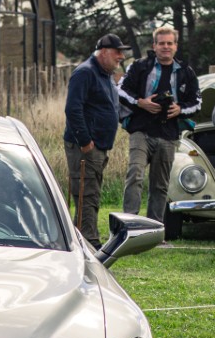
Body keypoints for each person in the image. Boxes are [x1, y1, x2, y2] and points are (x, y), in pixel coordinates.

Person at [118, 25, 201, 223]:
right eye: (161, 43)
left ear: (176, 46)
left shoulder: (186, 72)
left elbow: (197, 103)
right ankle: (129, 224)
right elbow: (120, 90)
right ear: (154, 46)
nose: (166, 47)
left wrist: (180, 109)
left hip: (168, 135)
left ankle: (154, 229)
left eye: (170, 43)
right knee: (135, 175)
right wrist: (141, 102)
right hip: (141, 131)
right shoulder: (139, 66)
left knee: (160, 185)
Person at [64, 33, 128, 248]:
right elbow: (73, 109)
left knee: (91, 193)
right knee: (87, 194)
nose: (121, 56)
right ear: (104, 52)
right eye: (117, 52)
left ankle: (79, 241)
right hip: (85, 147)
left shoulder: (105, 74)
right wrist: (85, 141)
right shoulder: (85, 73)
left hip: (98, 146)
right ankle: (91, 244)